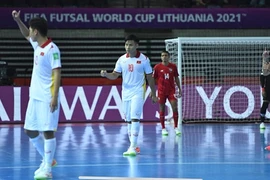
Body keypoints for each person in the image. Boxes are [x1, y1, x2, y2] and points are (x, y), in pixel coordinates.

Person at [12, 10, 61, 179]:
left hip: (48, 97)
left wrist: (54, 97)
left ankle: (47, 169)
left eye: (31, 29)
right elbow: (25, 33)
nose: (29, 33)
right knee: (30, 130)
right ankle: (48, 159)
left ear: (36, 32)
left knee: (47, 132)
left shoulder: (52, 49)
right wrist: (18, 20)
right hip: (35, 97)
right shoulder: (37, 45)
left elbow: (57, 73)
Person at [100, 34, 158, 156]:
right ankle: (134, 145)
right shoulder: (121, 60)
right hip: (125, 92)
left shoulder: (144, 59)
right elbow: (115, 75)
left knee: (135, 117)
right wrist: (106, 75)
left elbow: (149, 77)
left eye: (131, 44)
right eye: (126, 44)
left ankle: (132, 147)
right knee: (128, 121)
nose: (128, 47)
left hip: (138, 91)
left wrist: (153, 93)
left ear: (137, 45)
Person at [153, 50, 182, 136]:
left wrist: (179, 89)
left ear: (168, 57)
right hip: (161, 91)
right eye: (162, 55)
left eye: (165, 55)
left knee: (175, 108)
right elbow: (153, 79)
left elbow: (176, 78)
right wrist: (152, 91)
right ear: (161, 57)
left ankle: (176, 127)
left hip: (171, 91)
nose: (164, 57)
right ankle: (163, 128)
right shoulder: (157, 67)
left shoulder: (173, 66)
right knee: (162, 108)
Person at [260, 48, 270, 130]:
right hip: (268, 90)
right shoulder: (265, 70)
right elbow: (262, 78)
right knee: (265, 105)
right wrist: (263, 89)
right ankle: (262, 122)